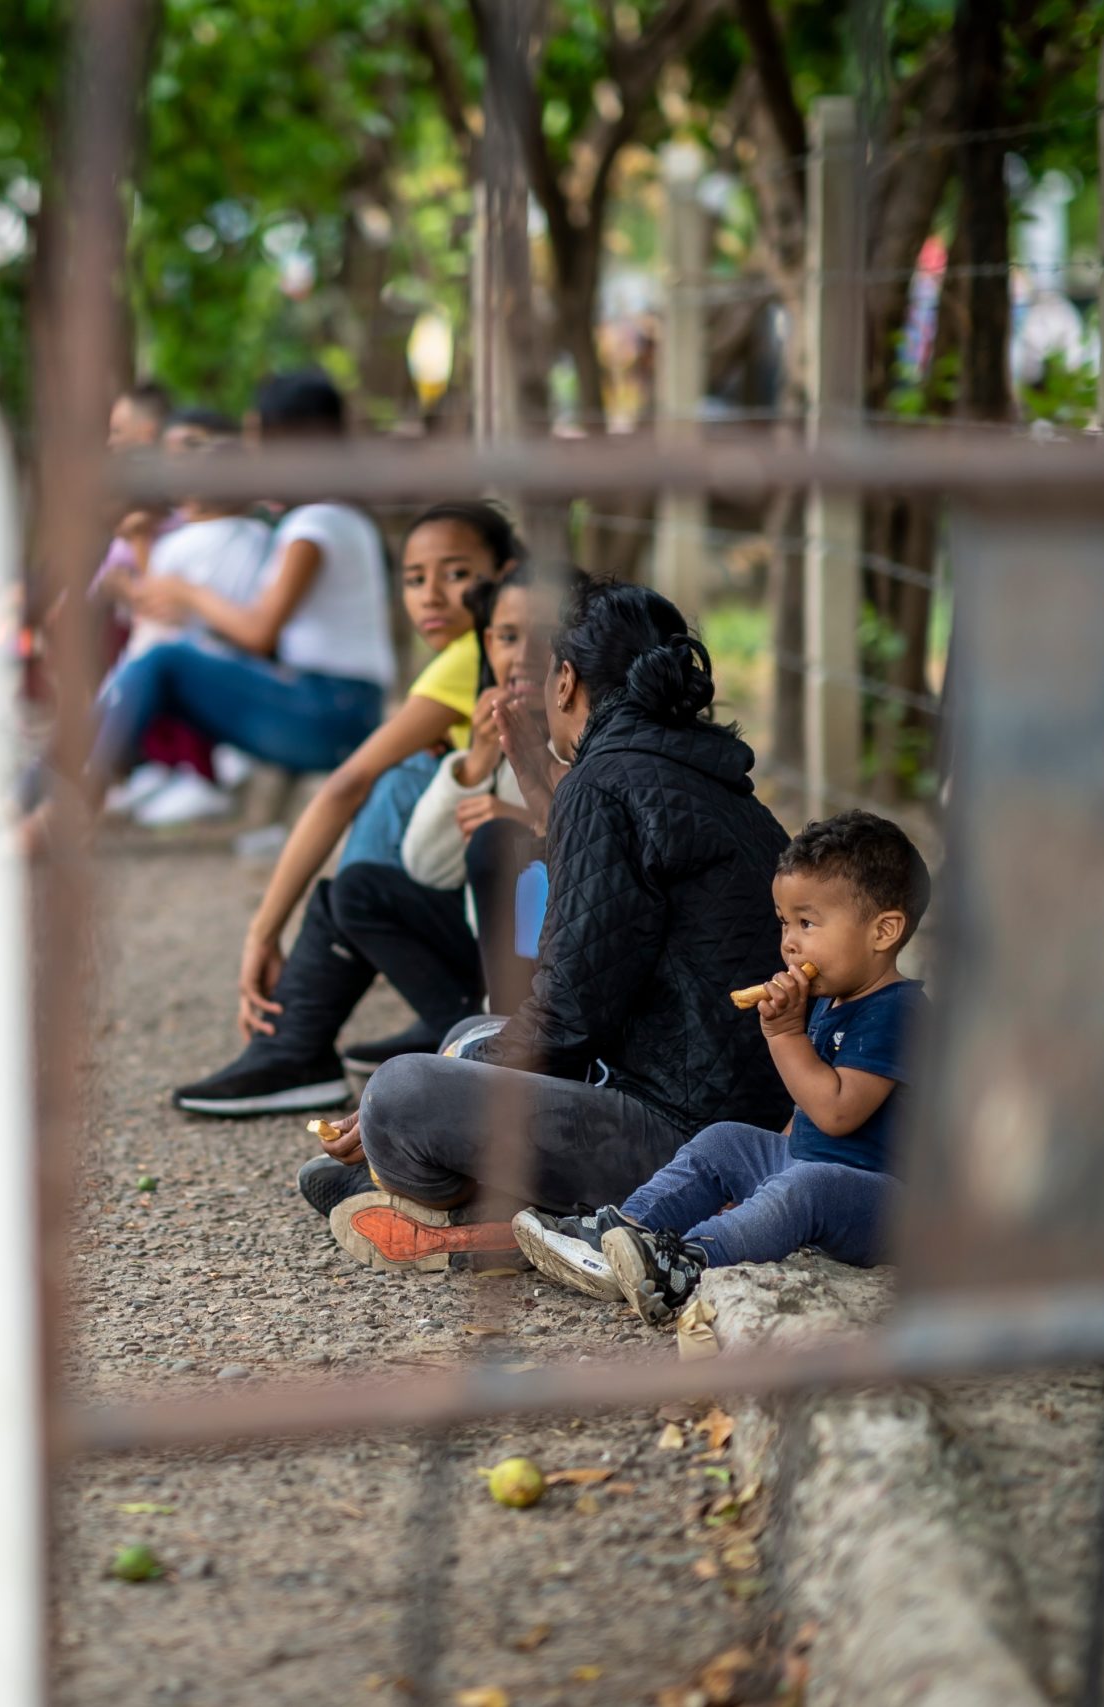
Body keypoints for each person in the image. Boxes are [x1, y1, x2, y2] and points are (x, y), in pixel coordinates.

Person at [307, 579, 793, 1272]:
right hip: (726, 1116)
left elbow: (568, 1014)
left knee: (400, 1093)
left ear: (565, 680)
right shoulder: (714, 782)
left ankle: (480, 1210)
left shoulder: (604, 782)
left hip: (683, 1140)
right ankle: (464, 1196)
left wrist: (445, 1084)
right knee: (462, 1037)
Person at [168, 501, 523, 1116]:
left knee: (381, 815)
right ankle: (400, 1020)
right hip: (501, 909)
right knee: (400, 798)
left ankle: (316, 1044)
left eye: (457, 573)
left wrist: (263, 932)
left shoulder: (475, 654)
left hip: (516, 918)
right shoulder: (479, 658)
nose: (431, 596)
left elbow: (343, 786)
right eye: (414, 579)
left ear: (506, 572)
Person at [511, 811, 932, 1321]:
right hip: (810, 1168)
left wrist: (784, 1034)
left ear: (883, 931)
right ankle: (621, 1235)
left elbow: (839, 1112)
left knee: (806, 1187)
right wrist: (761, 1174)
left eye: (807, 922)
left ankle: (688, 1263)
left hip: (878, 1200)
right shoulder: (829, 1000)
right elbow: (803, 1116)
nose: (790, 942)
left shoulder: (897, 1011)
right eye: (784, 923)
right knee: (725, 1140)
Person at [32, 369, 392, 851]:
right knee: (150, 666)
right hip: (329, 706)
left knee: (162, 661)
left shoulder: (315, 525)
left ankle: (68, 810)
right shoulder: (331, 517)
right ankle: (51, 797)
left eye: (258, 439)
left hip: (331, 713)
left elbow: (260, 632)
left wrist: (187, 592)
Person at [102, 407, 274, 827]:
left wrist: (138, 546)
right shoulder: (264, 537)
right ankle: (175, 771)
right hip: (244, 656)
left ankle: (196, 775)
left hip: (194, 657)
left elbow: (152, 595)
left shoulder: (181, 543)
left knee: (149, 663)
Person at [399, 567, 554, 1015]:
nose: (523, 656)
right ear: (488, 644)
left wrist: (525, 822)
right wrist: (477, 760)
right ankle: (453, 1020)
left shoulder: (589, 739)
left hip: (554, 967)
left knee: (499, 840)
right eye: (508, 638)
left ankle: (515, 1024)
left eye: (545, 637)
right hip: (486, 948)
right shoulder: (500, 739)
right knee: (356, 891)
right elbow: (427, 868)